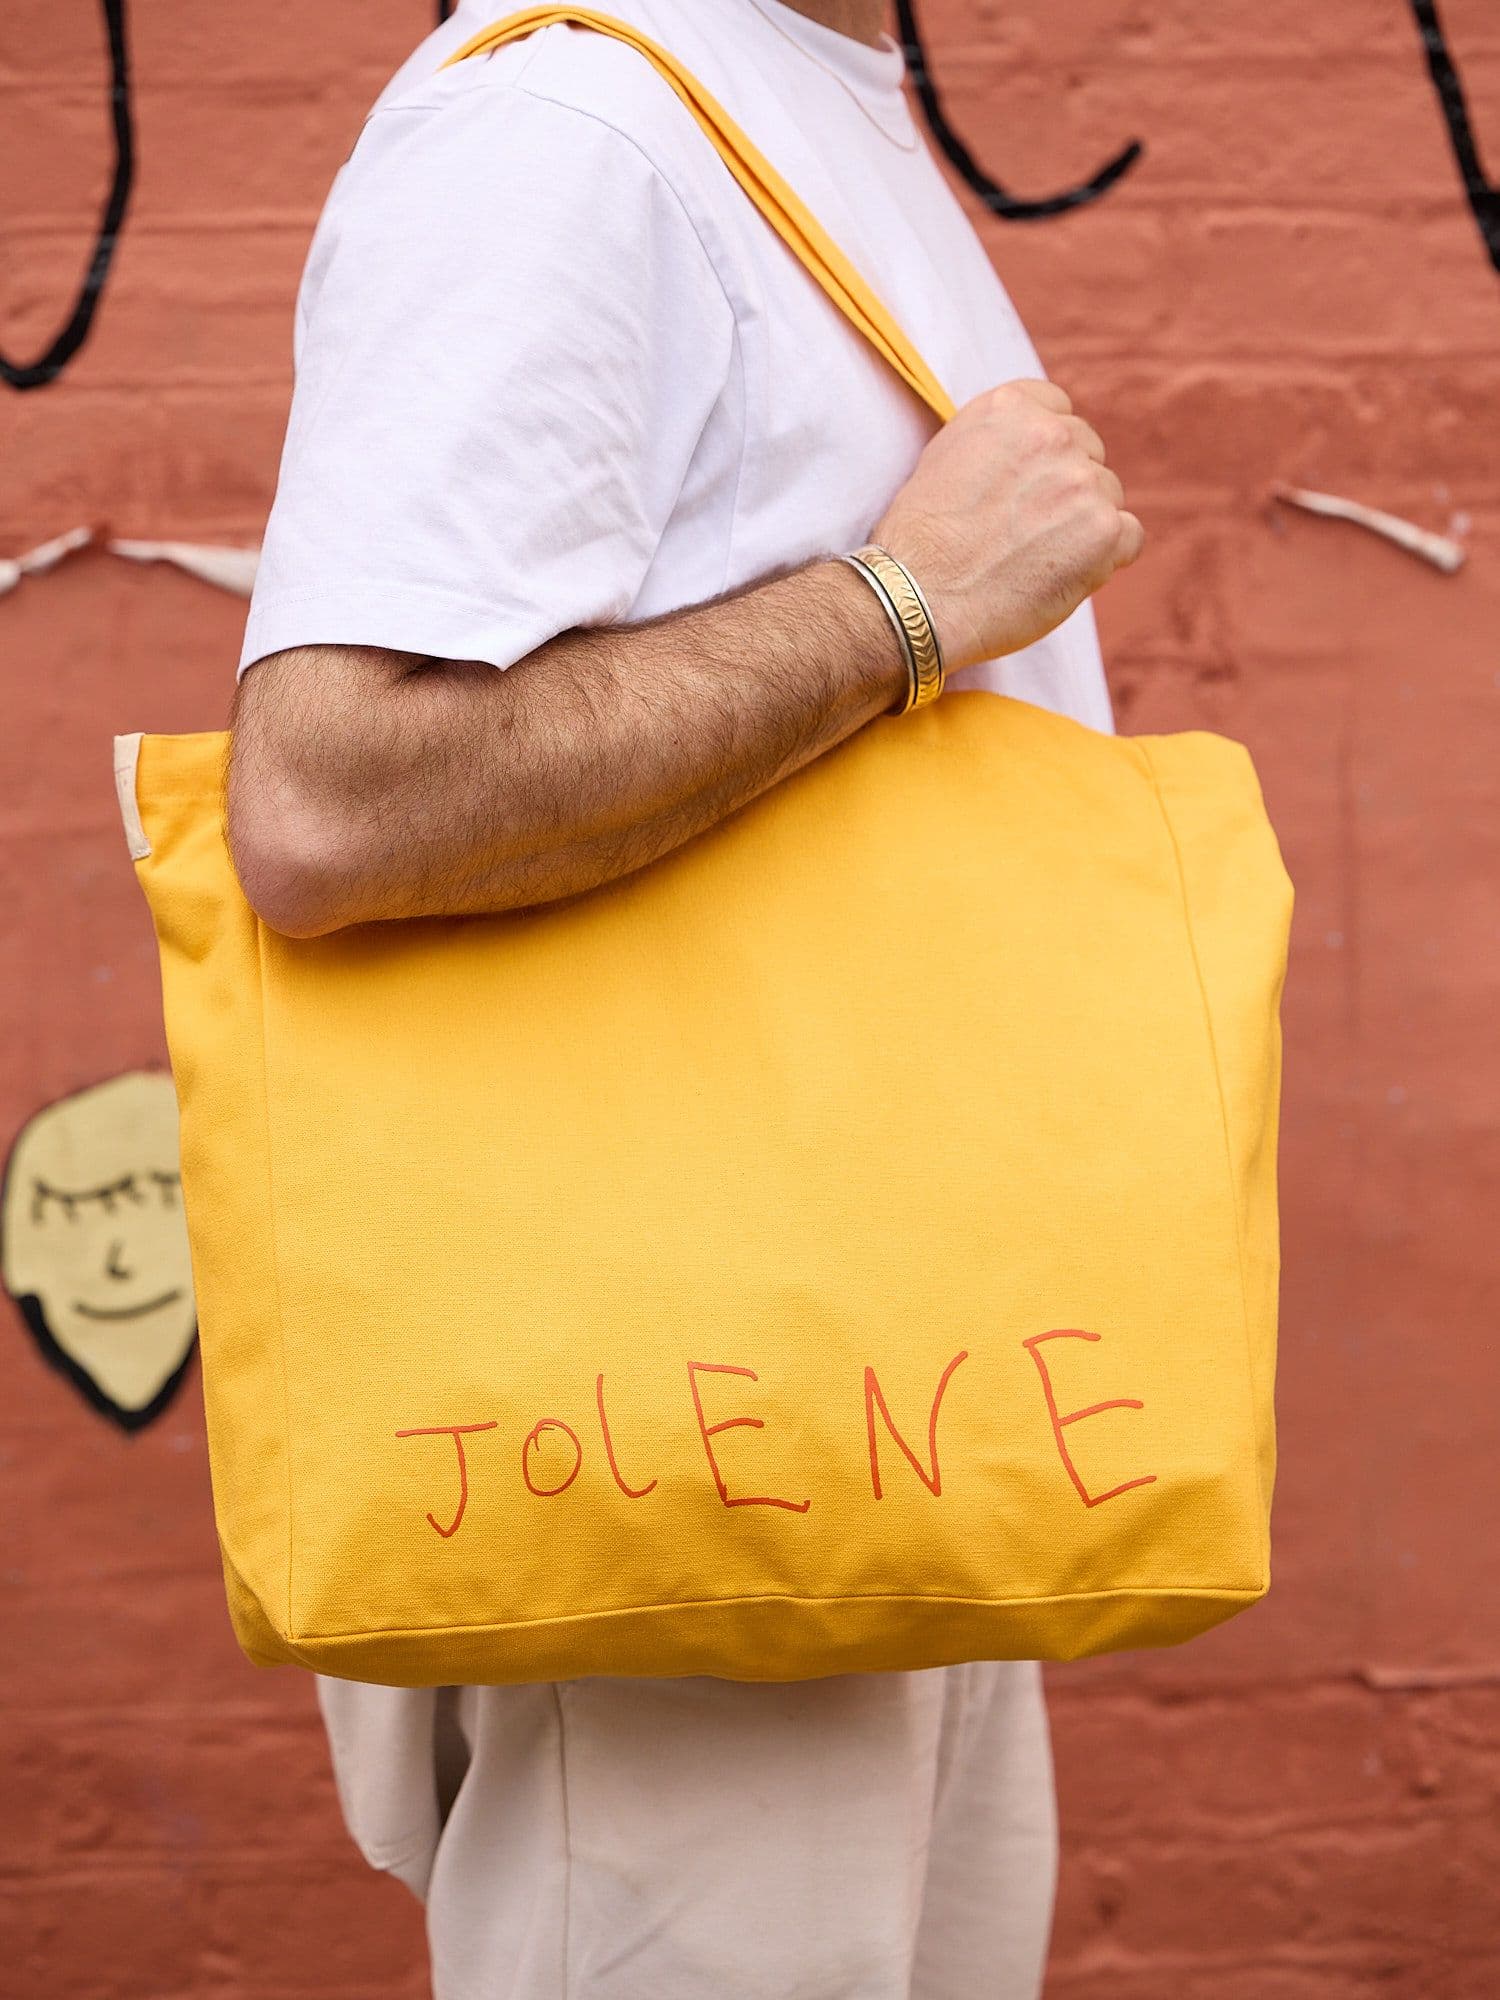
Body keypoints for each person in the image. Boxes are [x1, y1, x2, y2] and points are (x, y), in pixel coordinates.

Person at [227, 1, 1142, 1994]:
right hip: (681, 1479)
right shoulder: (573, 126)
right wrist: (898, 609)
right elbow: (325, 793)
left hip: (895, 1419)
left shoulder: (789, 99)